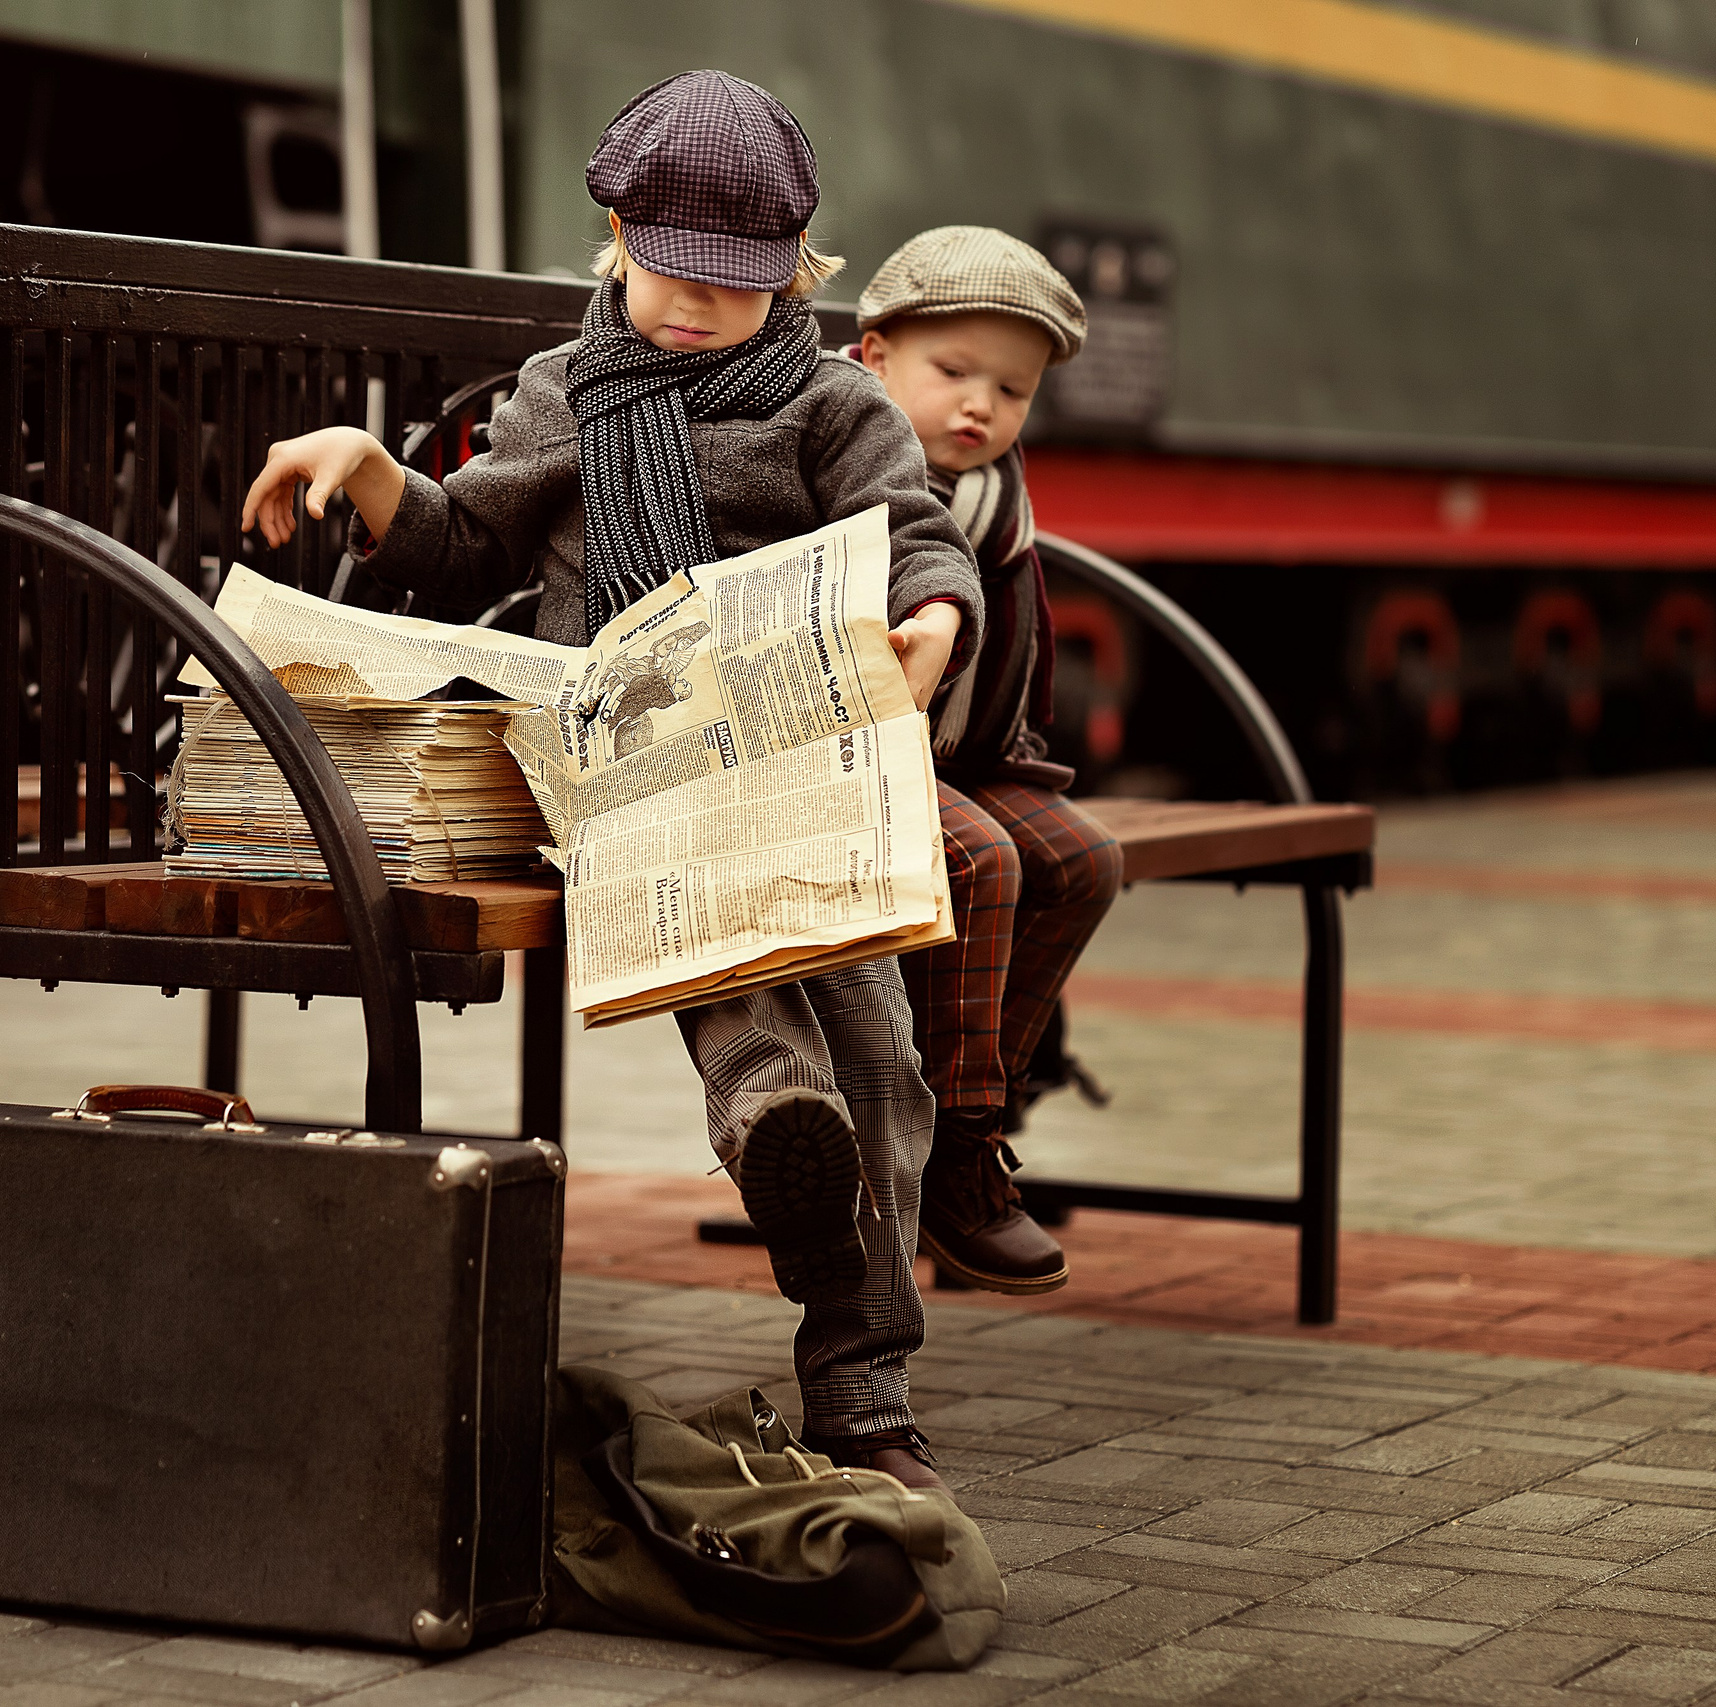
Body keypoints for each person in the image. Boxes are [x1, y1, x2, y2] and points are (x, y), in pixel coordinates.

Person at [240, 72, 982, 1489]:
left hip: (807, 758)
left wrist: (933, 621)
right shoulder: (563, 395)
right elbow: (464, 545)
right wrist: (376, 473)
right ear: (616, 237)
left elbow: (913, 529)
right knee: (735, 966)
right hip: (637, 770)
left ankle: (862, 1374)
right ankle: (777, 1131)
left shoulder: (832, 403)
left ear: (797, 276)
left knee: (881, 1048)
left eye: (736, 283)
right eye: (668, 270)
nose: (694, 304)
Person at [852, 228, 1125, 1296]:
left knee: (1081, 857)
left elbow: (1028, 650)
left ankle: (972, 1116)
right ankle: (951, 1140)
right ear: (874, 357)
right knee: (979, 862)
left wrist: (1016, 759)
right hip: (851, 756)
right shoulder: (837, 456)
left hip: (965, 753)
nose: (980, 406)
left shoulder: (996, 497)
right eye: (951, 372)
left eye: (1010, 390)